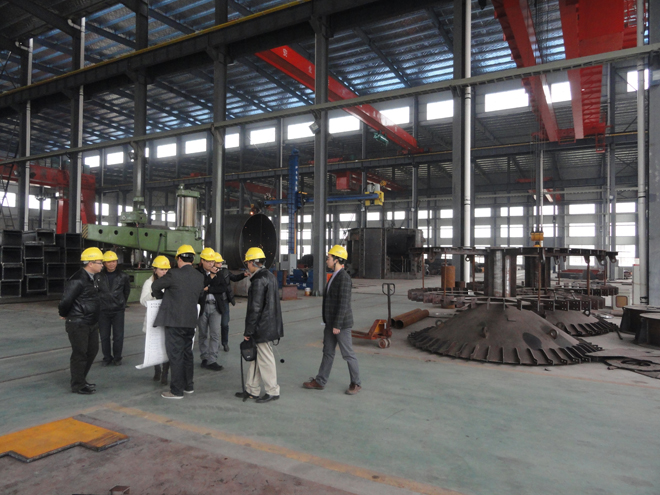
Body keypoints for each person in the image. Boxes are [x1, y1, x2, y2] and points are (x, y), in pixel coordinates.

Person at [303, 245, 361, 395]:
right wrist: (329, 323)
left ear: (336, 260)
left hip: (340, 324)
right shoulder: (334, 276)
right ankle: (320, 381)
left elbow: (343, 303)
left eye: (329, 258)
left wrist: (337, 325)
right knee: (327, 352)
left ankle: (356, 383)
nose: (327, 260)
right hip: (330, 323)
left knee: (347, 354)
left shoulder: (344, 278)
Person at [152, 244, 205, 399]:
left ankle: (176, 391)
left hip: (174, 321)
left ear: (179, 259)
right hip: (190, 321)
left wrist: (162, 298)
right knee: (187, 353)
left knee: (175, 355)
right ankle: (188, 386)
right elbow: (200, 296)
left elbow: (155, 285)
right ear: (193, 259)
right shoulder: (199, 276)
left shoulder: (173, 274)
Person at [236, 247, 283, 404]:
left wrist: (248, 331)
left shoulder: (258, 280)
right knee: (256, 359)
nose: (247, 266)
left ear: (252, 262)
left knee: (265, 359)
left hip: (262, 327)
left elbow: (255, 309)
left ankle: (272, 391)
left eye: (247, 263)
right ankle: (252, 390)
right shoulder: (269, 276)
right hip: (268, 325)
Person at [58, 247, 104, 395]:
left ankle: (81, 380)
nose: (102, 265)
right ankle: (77, 385)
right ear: (90, 263)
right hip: (79, 323)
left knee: (92, 351)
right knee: (80, 353)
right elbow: (66, 300)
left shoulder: (93, 278)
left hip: (90, 322)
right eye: (100, 262)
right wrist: (64, 313)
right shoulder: (78, 279)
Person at [140, 255, 171, 385]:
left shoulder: (171, 282)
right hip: (153, 319)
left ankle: (165, 373)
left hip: (167, 319)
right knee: (154, 347)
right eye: (161, 269)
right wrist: (153, 293)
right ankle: (157, 370)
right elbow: (143, 301)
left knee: (167, 347)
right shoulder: (149, 283)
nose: (164, 272)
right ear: (155, 270)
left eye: (166, 269)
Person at [97, 250, 131, 366]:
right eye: (109, 262)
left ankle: (117, 358)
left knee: (118, 336)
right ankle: (107, 358)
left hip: (118, 311)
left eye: (114, 261)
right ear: (104, 263)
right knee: (104, 336)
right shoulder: (98, 276)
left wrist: (121, 303)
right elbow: (96, 292)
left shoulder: (123, 276)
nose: (112, 264)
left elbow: (126, 291)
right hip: (103, 311)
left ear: (117, 262)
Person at [196, 247, 224, 371]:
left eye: (212, 261)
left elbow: (223, 288)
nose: (211, 264)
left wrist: (210, 289)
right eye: (208, 261)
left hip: (215, 306)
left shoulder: (219, 272)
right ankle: (204, 358)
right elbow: (200, 287)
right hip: (202, 306)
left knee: (215, 334)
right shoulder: (197, 273)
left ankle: (212, 360)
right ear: (202, 260)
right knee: (202, 334)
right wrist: (211, 276)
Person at [216, 252, 248, 352]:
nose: (220, 264)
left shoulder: (225, 272)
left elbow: (234, 278)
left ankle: (225, 343)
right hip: (215, 302)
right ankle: (215, 344)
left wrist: (243, 275)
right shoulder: (210, 274)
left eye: (220, 263)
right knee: (214, 326)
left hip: (225, 302)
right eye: (218, 263)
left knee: (224, 324)